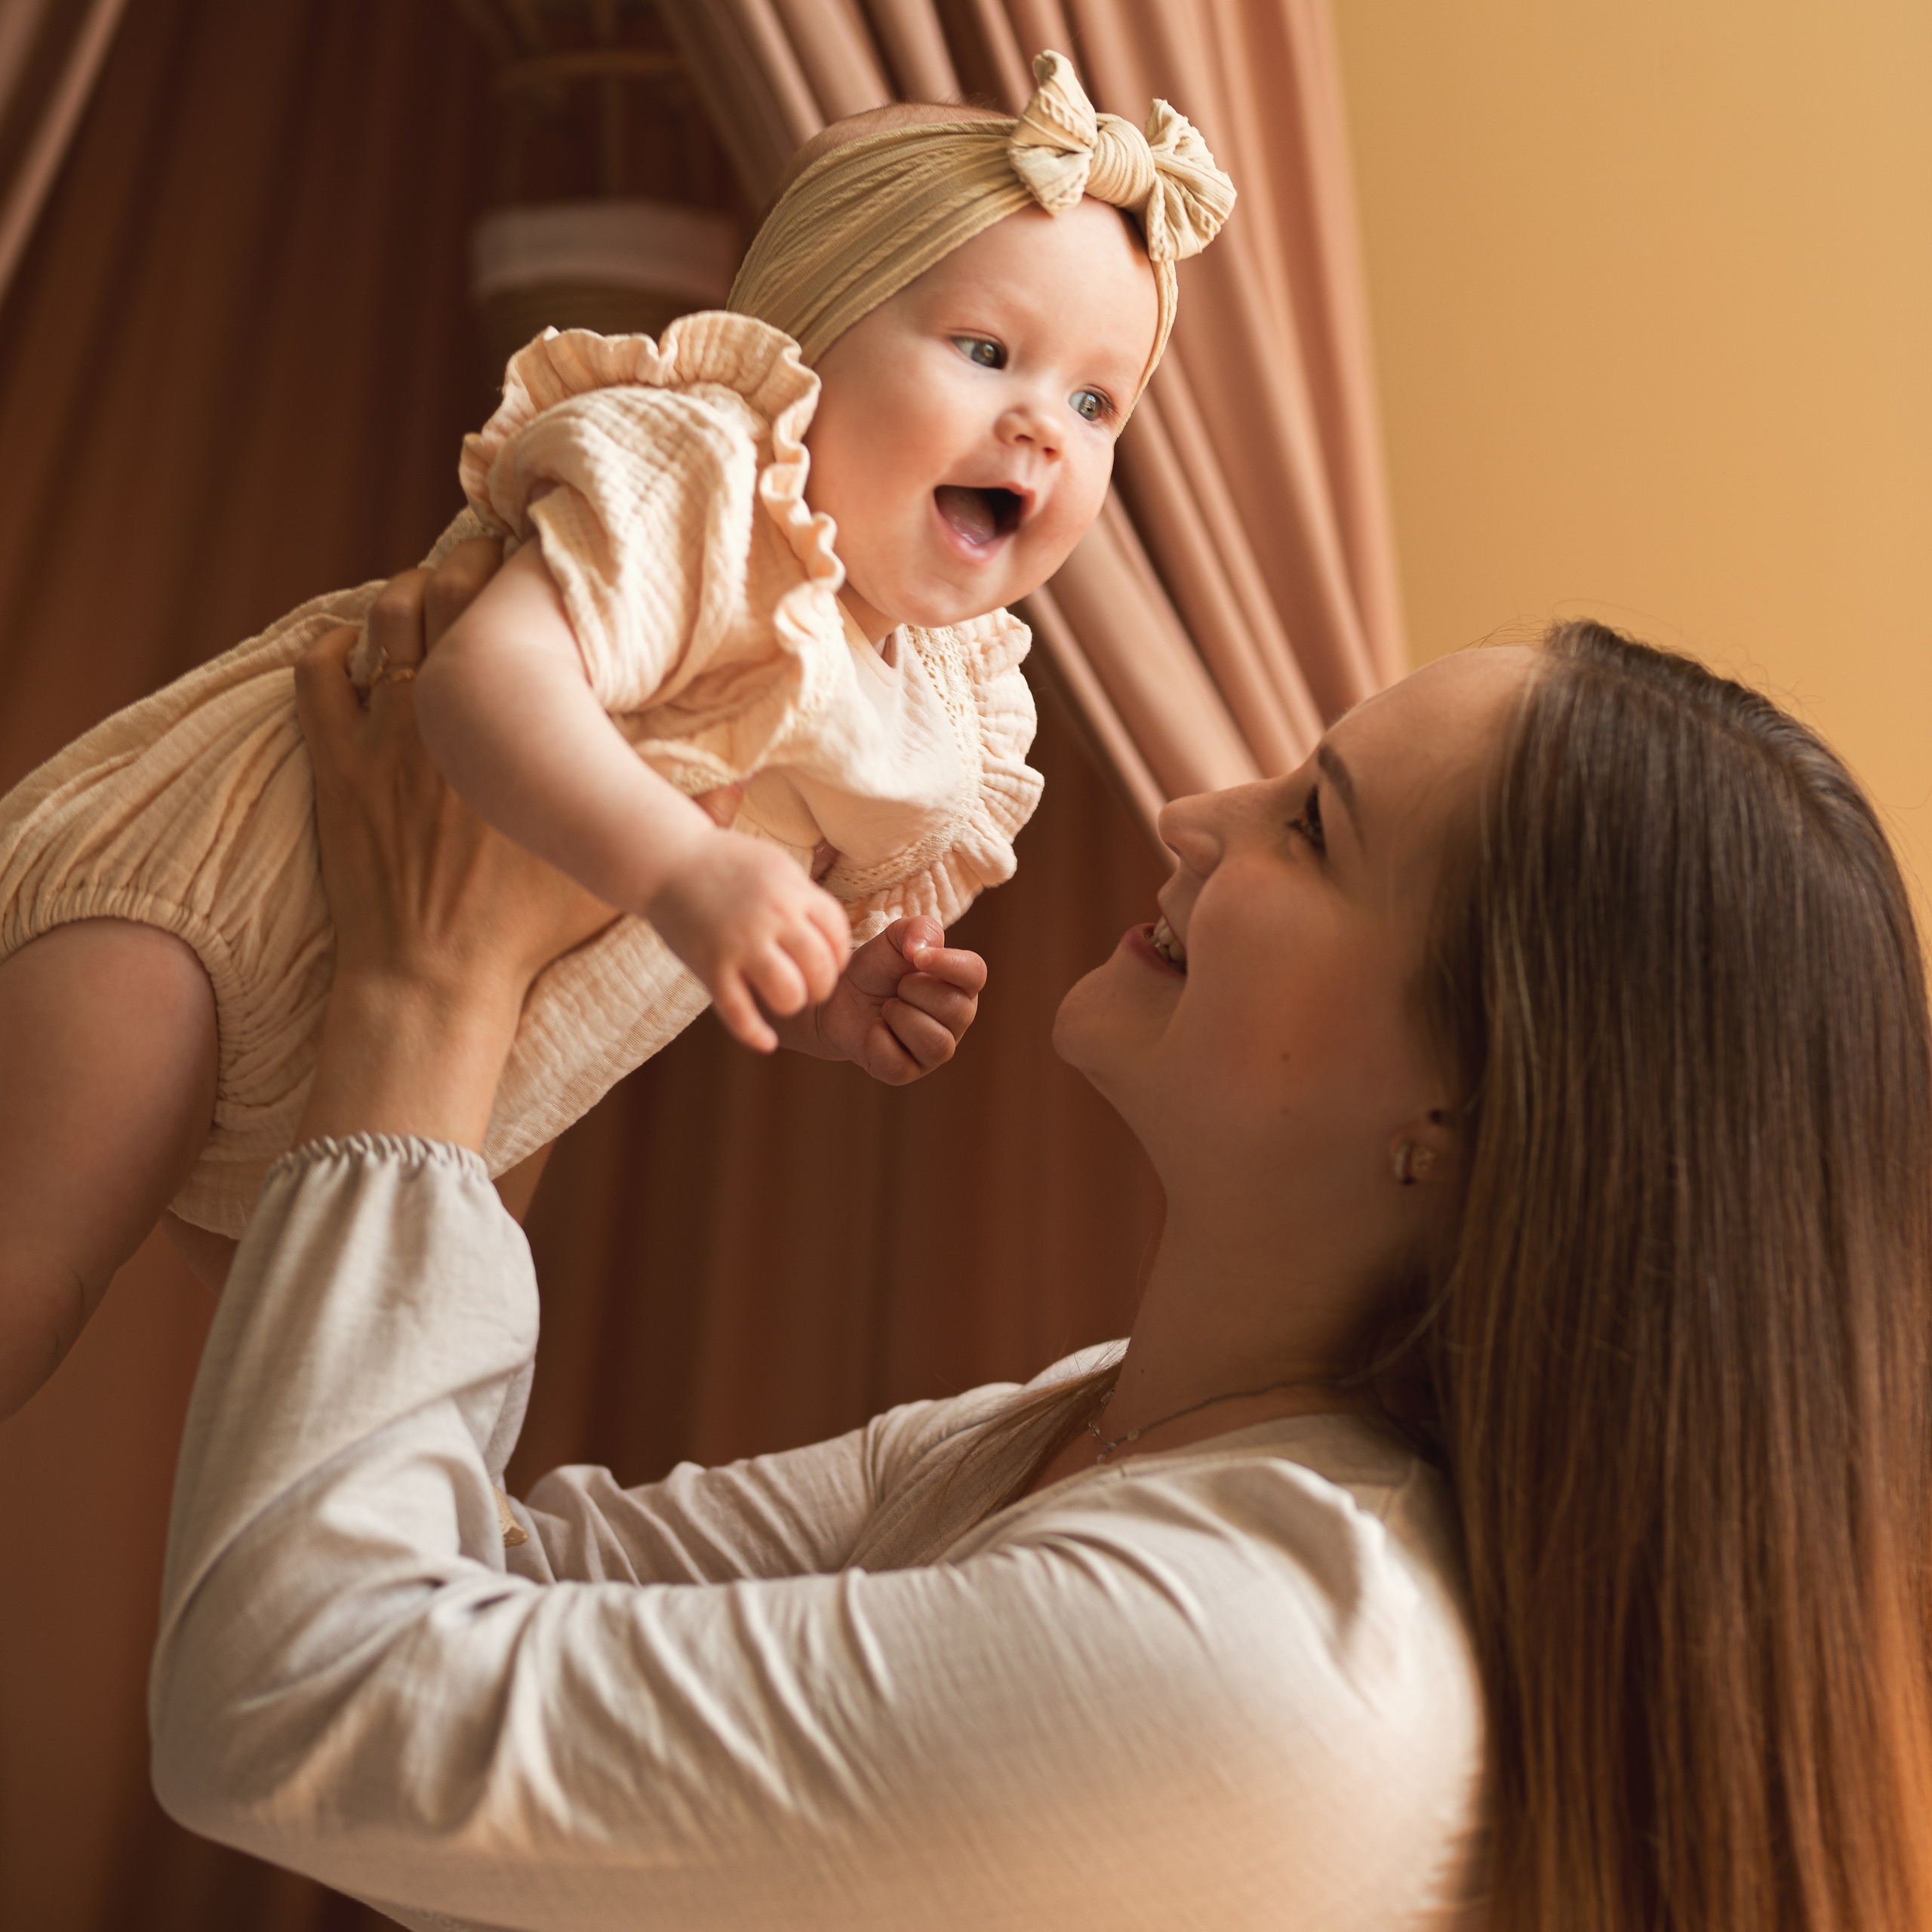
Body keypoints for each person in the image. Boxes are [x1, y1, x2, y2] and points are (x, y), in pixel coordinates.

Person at [146, 543, 1932, 1927]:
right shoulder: (1109, 1432)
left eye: (1309, 825)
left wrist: (429, 984)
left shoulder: (1272, 1652)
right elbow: (462, 1620)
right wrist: (518, 1008)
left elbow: (302, 1697)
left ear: (1460, 1118)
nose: (1193, 811)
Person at [0, 50, 1236, 1419]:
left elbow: (738, 902)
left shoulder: (947, 705)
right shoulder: (702, 483)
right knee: (25, 1286)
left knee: (395, 1389)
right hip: (205, 918)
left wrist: (831, 992)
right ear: (806, 350)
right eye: (987, 352)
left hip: (423, 1073)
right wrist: (684, 872)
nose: (1040, 428)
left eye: (1095, 403)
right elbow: (483, 686)